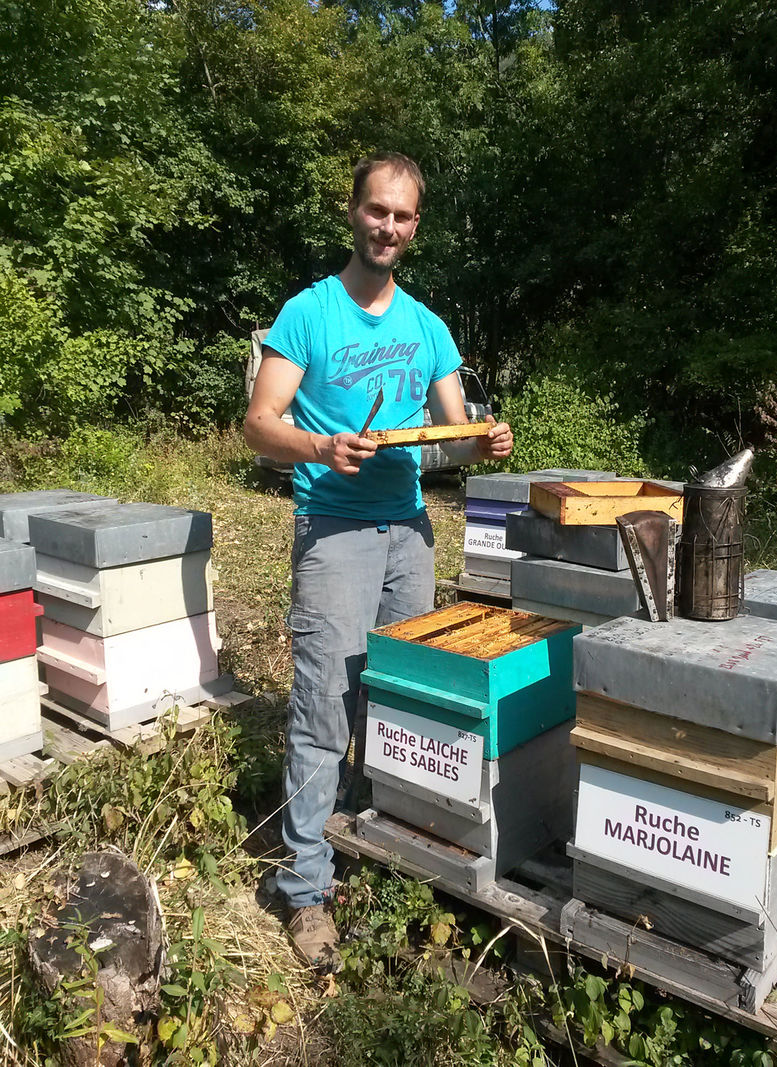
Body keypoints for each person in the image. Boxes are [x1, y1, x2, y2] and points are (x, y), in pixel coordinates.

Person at [244, 151, 513, 970]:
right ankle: (305, 886)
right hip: (333, 528)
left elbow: (450, 436)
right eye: (376, 210)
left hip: (409, 532)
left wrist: (483, 440)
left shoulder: (428, 327)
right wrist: (322, 445)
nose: (387, 226)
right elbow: (259, 423)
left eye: (401, 216)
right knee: (324, 705)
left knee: (397, 703)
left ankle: (373, 845)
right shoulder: (309, 313)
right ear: (353, 211)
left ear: (415, 226)